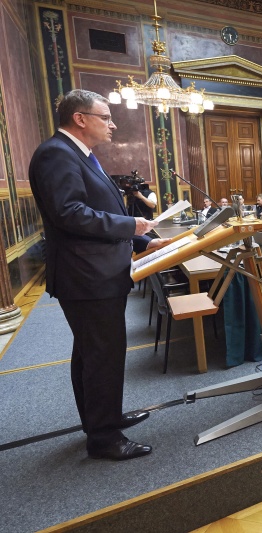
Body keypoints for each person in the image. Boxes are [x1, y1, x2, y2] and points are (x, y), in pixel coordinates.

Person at [29, 89, 169, 460]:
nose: (112, 123)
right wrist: (131, 224)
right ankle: (104, 439)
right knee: (102, 354)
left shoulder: (79, 154)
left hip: (95, 271)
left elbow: (93, 213)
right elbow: (70, 213)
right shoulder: (56, 154)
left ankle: (102, 419)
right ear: (80, 118)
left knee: (93, 354)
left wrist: (139, 242)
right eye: (105, 117)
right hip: (87, 277)